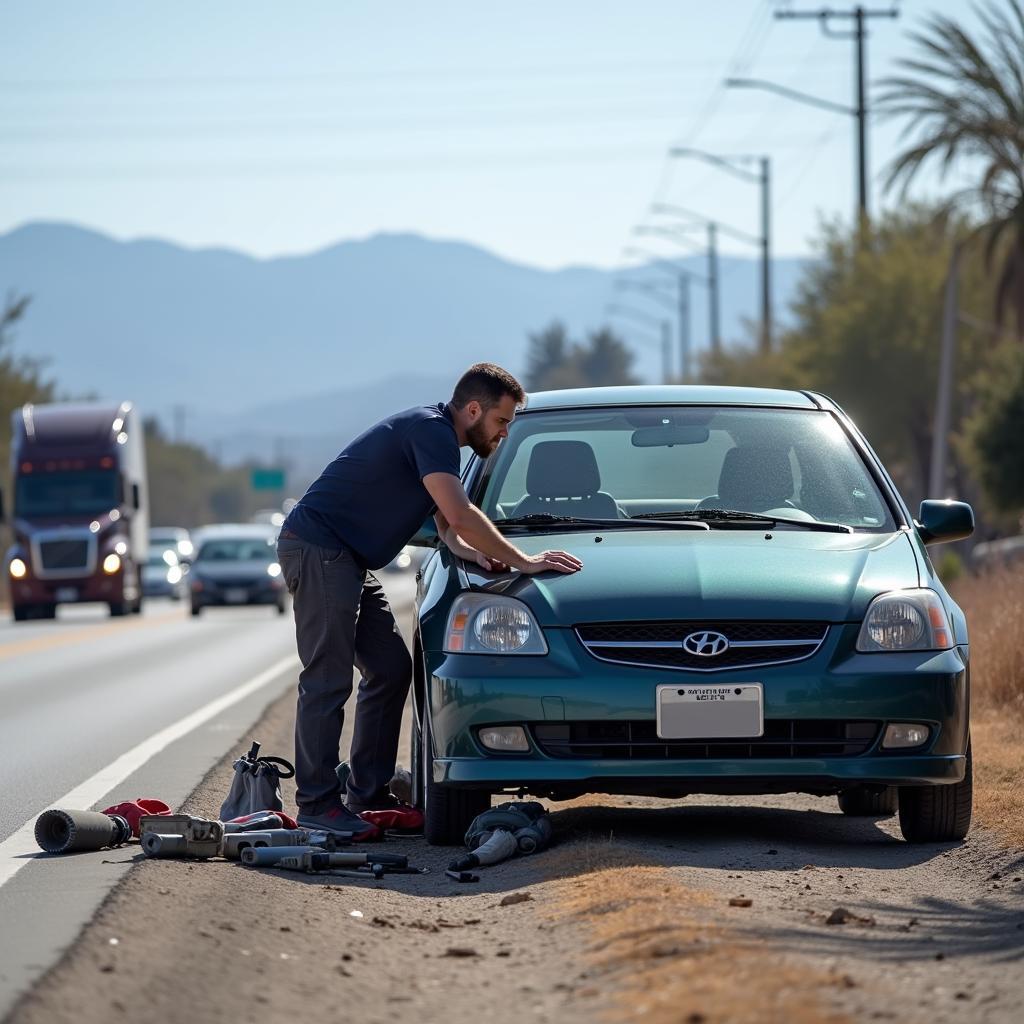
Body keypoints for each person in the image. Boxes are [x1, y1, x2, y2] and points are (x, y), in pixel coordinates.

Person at [276, 362, 583, 836]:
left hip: (349, 560)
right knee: (327, 679)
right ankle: (317, 805)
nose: (502, 434)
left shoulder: (440, 441)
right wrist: (524, 561)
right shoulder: (431, 430)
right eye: (501, 422)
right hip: (320, 551)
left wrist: (481, 558)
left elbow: (447, 528)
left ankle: (368, 795)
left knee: (391, 669)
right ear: (474, 409)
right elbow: (460, 514)